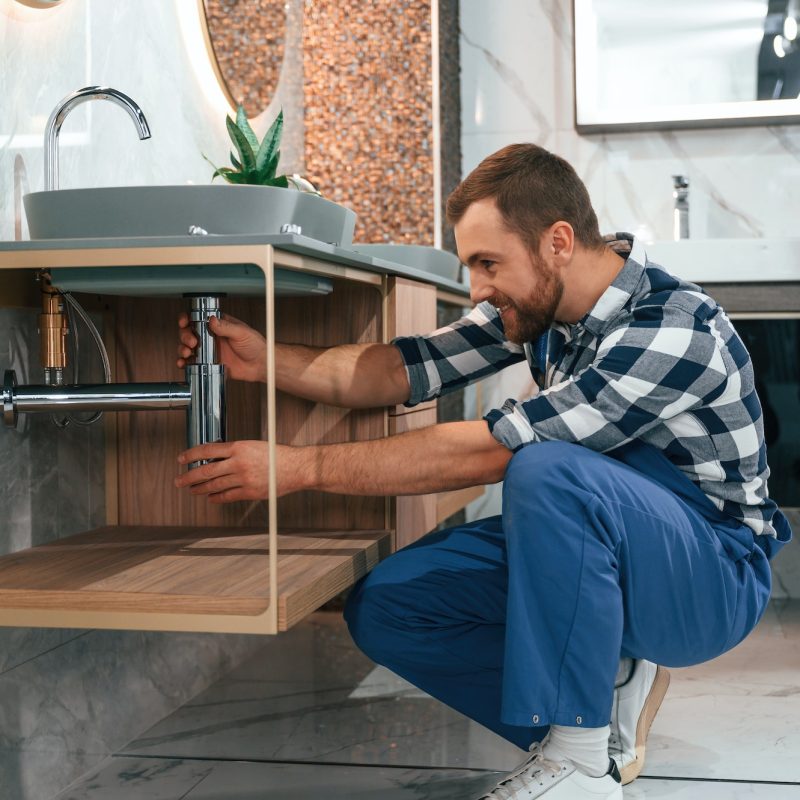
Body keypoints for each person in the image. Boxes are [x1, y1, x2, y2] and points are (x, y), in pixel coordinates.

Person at [175, 144, 793, 800]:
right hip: (607, 539)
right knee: (389, 607)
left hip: (710, 578)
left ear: (558, 241)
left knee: (545, 469)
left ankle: (582, 762)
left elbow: (496, 451)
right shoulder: (544, 308)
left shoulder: (672, 328)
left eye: (487, 263)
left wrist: (298, 467)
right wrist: (269, 360)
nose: (476, 289)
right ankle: (606, 686)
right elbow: (402, 369)